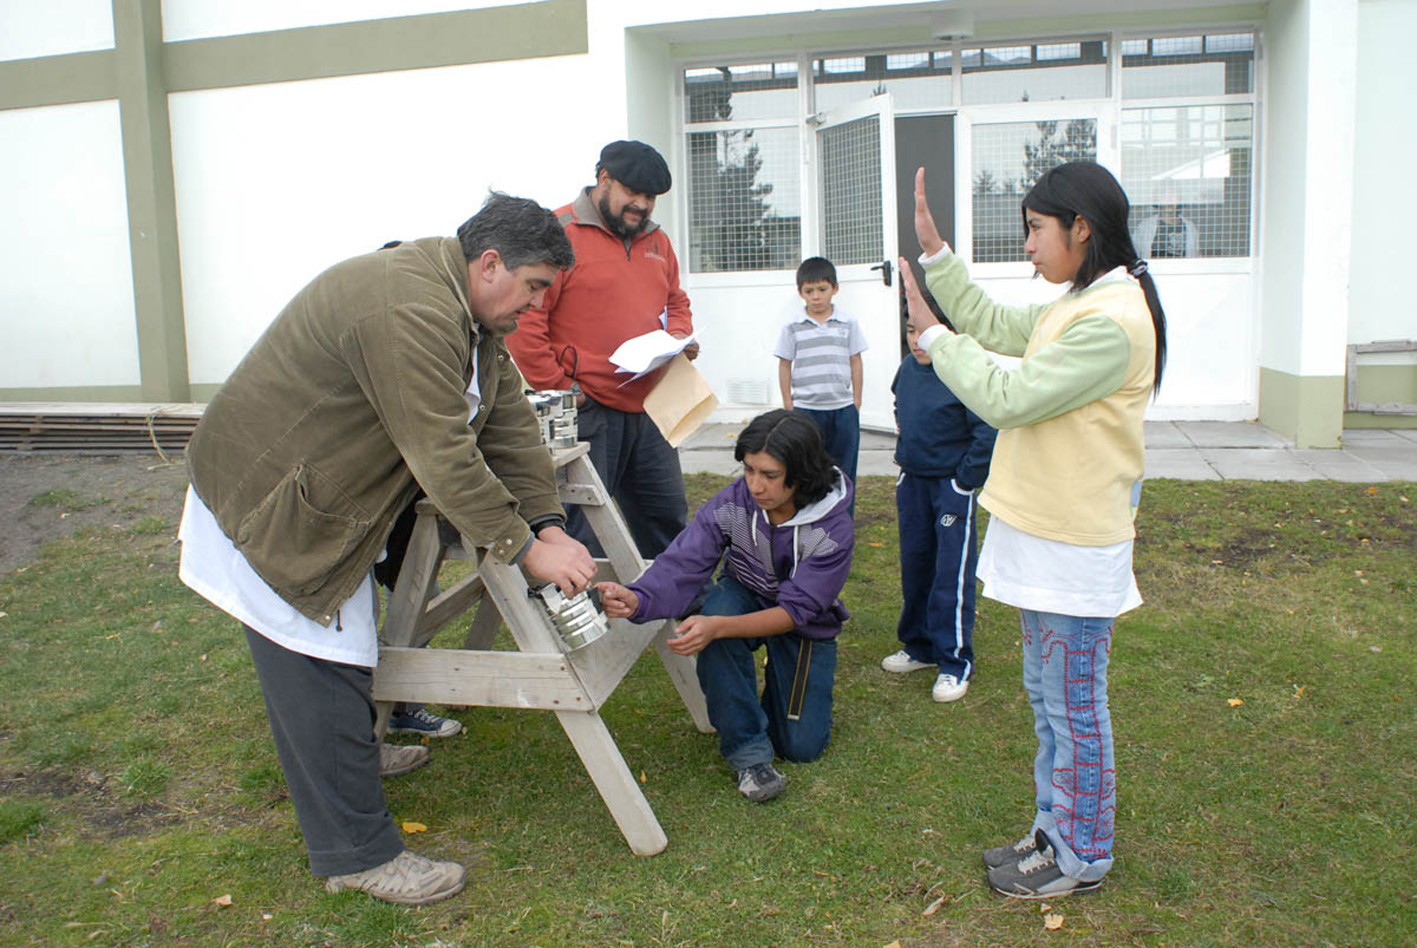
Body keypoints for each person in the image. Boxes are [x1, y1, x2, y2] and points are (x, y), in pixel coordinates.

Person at [177, 193, 596, 906]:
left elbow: (508, 428)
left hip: (321, 500)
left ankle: (356, 760)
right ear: (490, 263)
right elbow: (443, 455)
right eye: (532, 287)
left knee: (350, 650)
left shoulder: (469, 315)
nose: (535, 306)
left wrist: (549, 521)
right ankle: (357, 855)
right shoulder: (410, 310)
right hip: (274, 507)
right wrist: (524, 547)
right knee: (322, 668)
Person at [898, 161, 1167, 899]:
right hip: (1045, 534)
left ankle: (1081, 855)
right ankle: (1053, 829)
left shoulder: (1110, 321)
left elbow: (1007, 396)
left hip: (1074, 546)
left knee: (1074, 706)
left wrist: (936, 338)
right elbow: (993, 325)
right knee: (1048, 699)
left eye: (1035, 229)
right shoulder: (1079, 302)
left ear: (1082, 227)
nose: (1027, 246)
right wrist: (937, 257)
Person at [596, 410, 854, 804]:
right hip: (745, 590)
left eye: (769, 475)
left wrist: (717, 626)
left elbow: (795, 612)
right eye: (749, 469)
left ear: (802, 474)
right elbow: (685, 560)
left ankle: (771, 686)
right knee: (715, 620)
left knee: (801, 747)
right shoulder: (735, 502)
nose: (755, 485)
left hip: (802, 621)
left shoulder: (832, 529)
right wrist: (639, 597)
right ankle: (749, 756)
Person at [506, 140, 696, 559]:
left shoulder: (657, 241)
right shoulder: (556, 233)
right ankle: (583, 602)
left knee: (666, 521)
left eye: (651, 197)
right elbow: (525, 324)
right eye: (634, 192)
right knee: (584, 530)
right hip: (588, 410)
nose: (642, 205)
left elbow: (676, 301)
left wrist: (677, 339)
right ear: (604, 179)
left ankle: (676, 599)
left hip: (651, 408)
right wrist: (564, 389)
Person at [880, 307, 997, 703]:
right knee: (916, 565)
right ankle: (920, 646)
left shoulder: (963, 374)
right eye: (911, 331)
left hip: (950, 487)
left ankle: (954, 661)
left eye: (925, 332)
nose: (917, 341)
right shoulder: (907, 369)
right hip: (912, 481)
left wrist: (964, 481)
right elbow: (900, 404)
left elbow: (988, 430)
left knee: (950, 574)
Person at [774, 256, 868, 501]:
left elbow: (856, 361)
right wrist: (788, 404)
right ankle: (810, 517)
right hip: (806, 409)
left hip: (842, 409)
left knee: (844, 471)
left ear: (835, 289)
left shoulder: (848, 323)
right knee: (807, 469)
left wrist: (856, 401)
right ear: (800, 292)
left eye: (822, 289)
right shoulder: (792, 326)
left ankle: (842, 518)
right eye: (809, 291)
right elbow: (785, 364)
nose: (816, 296)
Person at [1132, 193, 1198, 259]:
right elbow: (1135, 253)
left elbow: (1195, 255)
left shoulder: (1190, 227)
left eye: (1173, 197)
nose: (1169, 201)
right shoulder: (1145, 226)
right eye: (1165, 197)